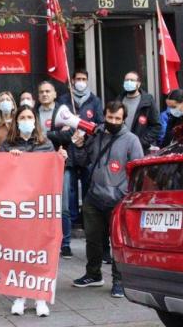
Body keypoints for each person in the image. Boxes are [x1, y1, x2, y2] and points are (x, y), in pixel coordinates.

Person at [70, 101, 144, 300]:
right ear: (104, 116)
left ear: (123, 119)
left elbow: (137, 172)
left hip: (118, 201)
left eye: (117, 119)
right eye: (110, 118)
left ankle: (119, 280)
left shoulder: (131, 140)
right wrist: (78, 145)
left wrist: (125, 194)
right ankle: (93, 274)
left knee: (117, 243)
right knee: (93, 240)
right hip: (94, 197)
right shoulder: (97, 135)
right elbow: (83, 161)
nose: (113, 122)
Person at [1, 105, 59, 317]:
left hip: (40, 207)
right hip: (17, 207)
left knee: (40, 250)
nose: (26, 120)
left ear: (35, 121)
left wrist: (60, 158)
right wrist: (9, 160)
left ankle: (40, 297)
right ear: (16, 121)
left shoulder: (46, 144)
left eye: (29, 117)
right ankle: (20, 296)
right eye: (22, 117)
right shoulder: (8, 144)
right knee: (18, 251)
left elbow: (53, 171)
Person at [58, 70, 104, 228]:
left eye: (84, 79)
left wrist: (85, 135)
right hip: (69, 150)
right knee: (69, 189)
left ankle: (86, 219)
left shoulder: (94, 101)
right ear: (72, 80)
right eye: (78, 79)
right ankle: (72, 219)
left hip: (87, 151)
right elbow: (57, 124)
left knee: (87, 185)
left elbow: (100, 124)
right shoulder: (64, 100)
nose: (81, 82)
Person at [35, 81, 74, 258]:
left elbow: (68, 134)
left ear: (54, 94)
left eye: (48, 91)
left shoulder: (63, 111)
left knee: (63, 206)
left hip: (60, 164)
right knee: (41, 206)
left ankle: (65, 244)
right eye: (41, 92)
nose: (44, 94)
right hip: (38, 166)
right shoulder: (34, 113)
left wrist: (46, 134)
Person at [117, 71, 160, 152]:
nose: (129, 82)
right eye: (126, 80)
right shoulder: (119, 100)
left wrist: (142, 142)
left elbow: (156, 126)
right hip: (122, 147)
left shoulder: (147, 101)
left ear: (139, 84)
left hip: (141, 149)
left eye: (132, 80)